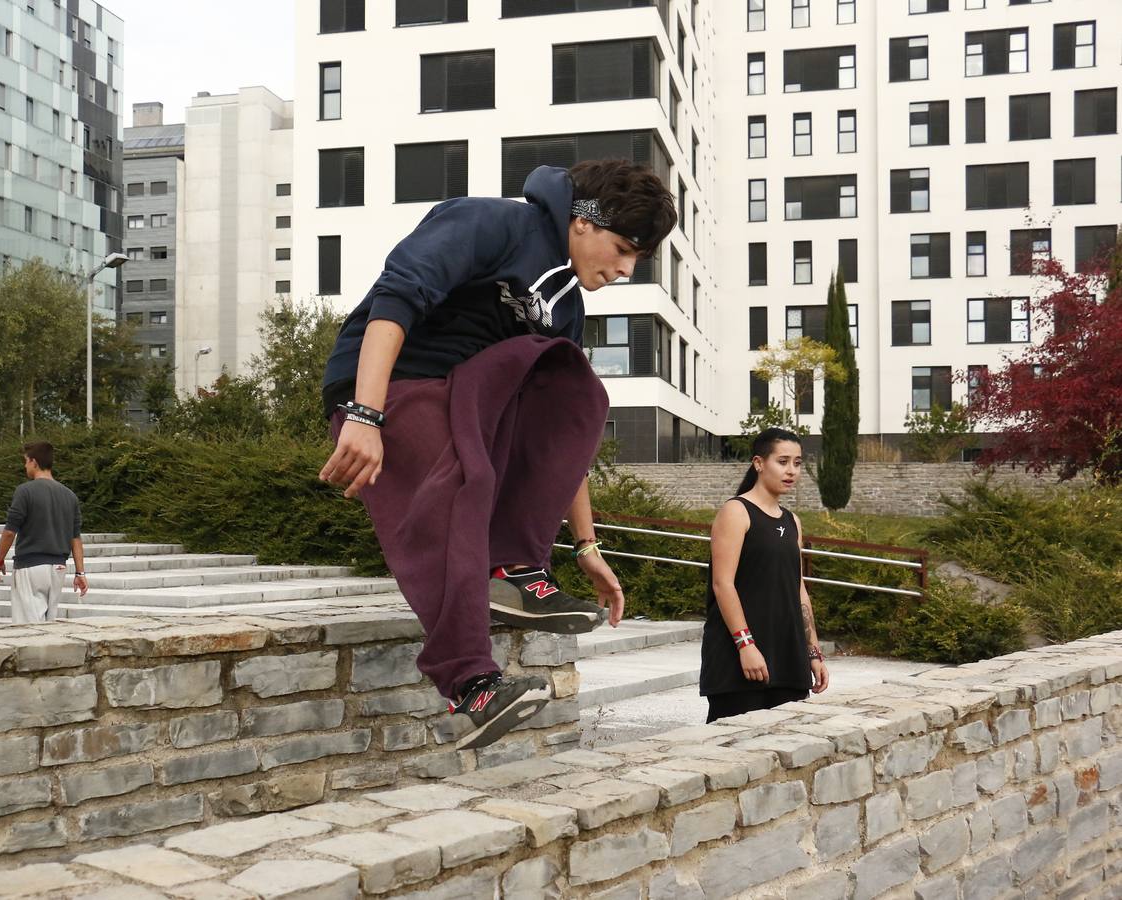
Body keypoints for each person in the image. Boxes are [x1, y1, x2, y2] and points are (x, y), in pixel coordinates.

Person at [319, 160, 676, 750]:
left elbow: (563, 440)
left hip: (467, 397)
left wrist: (584, 545)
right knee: (464, 486)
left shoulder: (567, 308)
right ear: (582, 222)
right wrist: (364, 415)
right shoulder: (493, 222)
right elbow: (397, 296)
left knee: (571, 379)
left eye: (635, 260)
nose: (623, 270)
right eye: (621, 249)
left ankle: (517, 570)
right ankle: (471, 685)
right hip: (393, 385)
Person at [700, 428, 830, 723]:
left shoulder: (792, 521)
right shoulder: (736, 512)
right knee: (732, 753)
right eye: (782, 461)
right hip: (739, 659)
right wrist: (746, 645)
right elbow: (723, 584)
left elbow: (798, 590)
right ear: (759, 463)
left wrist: (812, 652)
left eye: (797, 463)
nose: (791, 471)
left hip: (788, 658)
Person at [0, 441, 87, 623]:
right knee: (48, 625)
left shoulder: (25, 491)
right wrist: (80, 573)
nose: (25, 466)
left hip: (31, 565)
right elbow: (75, 537)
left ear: (34, 462)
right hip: (58, 567)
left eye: (26, 461)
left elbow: (10, 531)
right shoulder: (70, 495)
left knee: (28, 627)